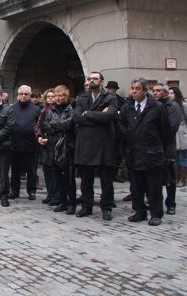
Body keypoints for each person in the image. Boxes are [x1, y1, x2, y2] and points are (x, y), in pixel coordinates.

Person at [120, 78, 171, 226]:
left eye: (137, 89)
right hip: (133, 153)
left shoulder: (157, 107)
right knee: (136, 186)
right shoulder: (127, 107)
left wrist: (157, 147)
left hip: (151, 153)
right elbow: (121, 125)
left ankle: (156, 213)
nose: (134, 91)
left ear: (144, 91)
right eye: (132, 88)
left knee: (154, 187)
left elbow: (165, 132)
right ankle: (139, 211)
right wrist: (128, 134)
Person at [72, 71, 118, 220]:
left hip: (104, 143)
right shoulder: (82, 98)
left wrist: (88, 114)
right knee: (86, 179)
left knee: (106, 179)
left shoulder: (110, 98)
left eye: (95, 79)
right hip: (85, 143)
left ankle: (107, 207)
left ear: (102, 82)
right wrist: (96, 115)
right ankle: (87, 206)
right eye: (90, 78)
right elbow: (77, 117)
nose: (92, 81)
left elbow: (109, 116)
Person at [41, 85, 76, 214]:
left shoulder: (71, 109)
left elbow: (69, 124)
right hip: (53, 145)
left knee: (69, 178)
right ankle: (63, 201)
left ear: (67, 97)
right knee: (58, 176)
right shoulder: (51, 109)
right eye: (56, 96)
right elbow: (45, 125)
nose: (58, 98)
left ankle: (71, 203)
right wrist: (56, 127)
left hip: (66, 146)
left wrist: (54, 125)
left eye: (61, 96)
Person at [151, 83, 181, 215]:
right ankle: (153, 201)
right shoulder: (151, 106)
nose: (155, 93)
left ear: (165, 92)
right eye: (154, 91)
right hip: (153, 147)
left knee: (169, 179)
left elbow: (172, 127)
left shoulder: (172, 107)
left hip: (167, 147)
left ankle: (171, 204)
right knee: (154, 178)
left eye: (158, 90)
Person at [37, 88, 58, 205]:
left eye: (52, 96)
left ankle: (56, 195)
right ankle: (50, 194)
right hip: (45, 145)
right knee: (47, 170)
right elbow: (38, 126)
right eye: (48, 96)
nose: (50, 98)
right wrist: (39, 136)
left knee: (55, 171)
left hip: (55, 144)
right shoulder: (43, 111)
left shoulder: (58, 111)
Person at [169, 87, 187, 187]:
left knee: (183, 157)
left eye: (172, 93)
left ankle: (183, 179)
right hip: (173, 133)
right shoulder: (168, 105)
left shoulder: (184, 105)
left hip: (182, 133)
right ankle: (176, 178)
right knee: (174, 157)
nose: (170, 95)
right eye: (169, 93)